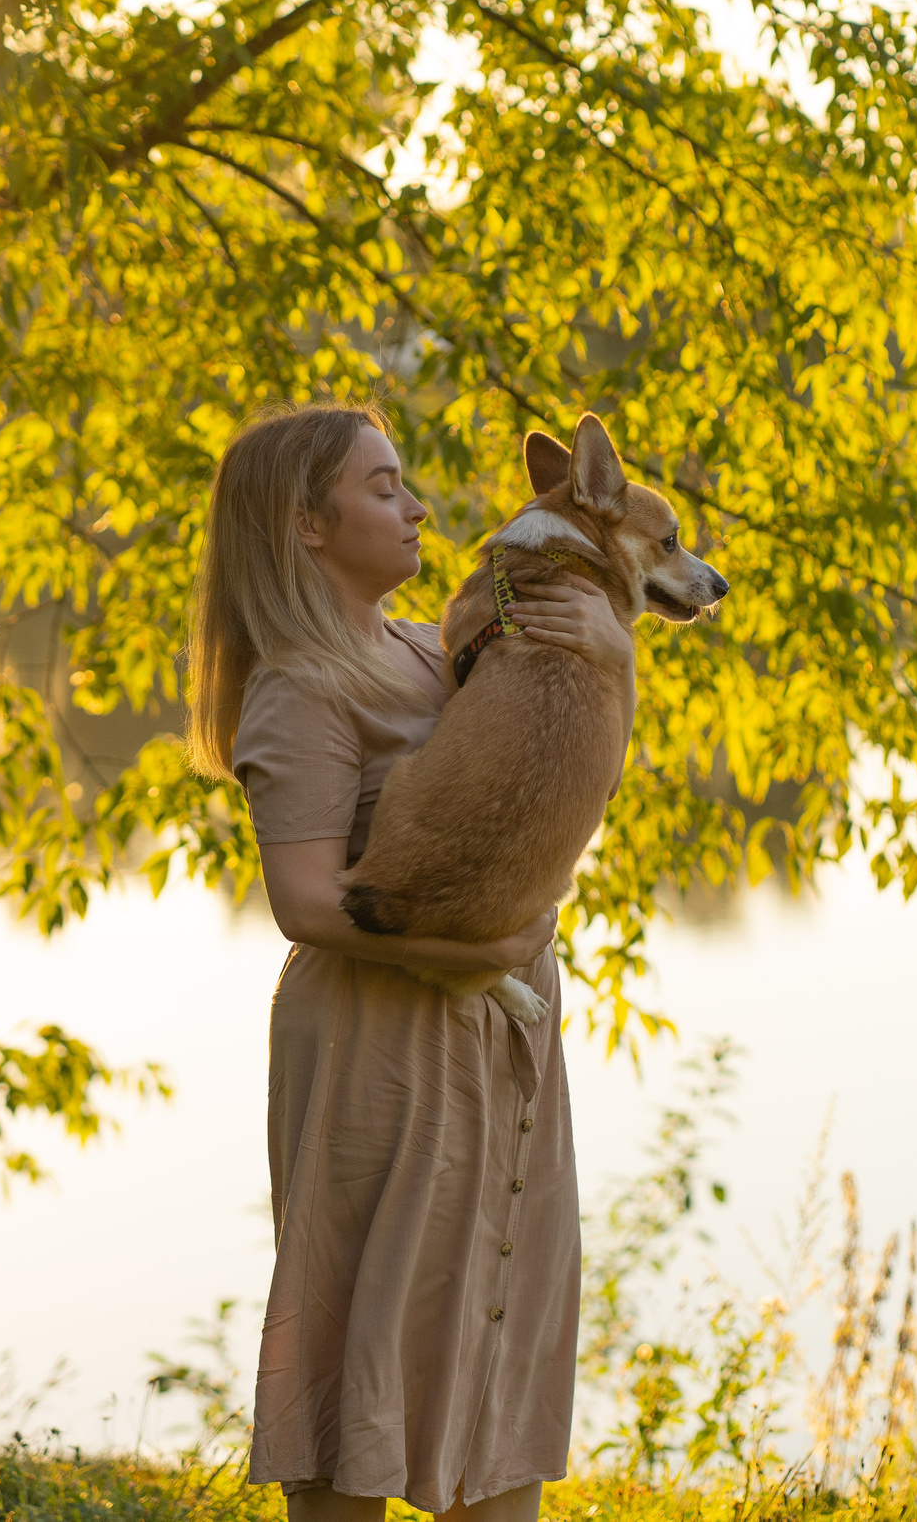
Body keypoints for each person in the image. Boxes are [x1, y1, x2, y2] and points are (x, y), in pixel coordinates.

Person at [185, 403, 636, 1522]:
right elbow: (303, 903)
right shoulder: (302, 683)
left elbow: (538, 770)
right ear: (305, 528)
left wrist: (597, 636)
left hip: (500, 1042)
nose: (417, 505)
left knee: (496, 1336)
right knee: (369, 1344)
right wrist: (476, 950)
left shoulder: (436, 643)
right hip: (383, 1051)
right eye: (383, 486)